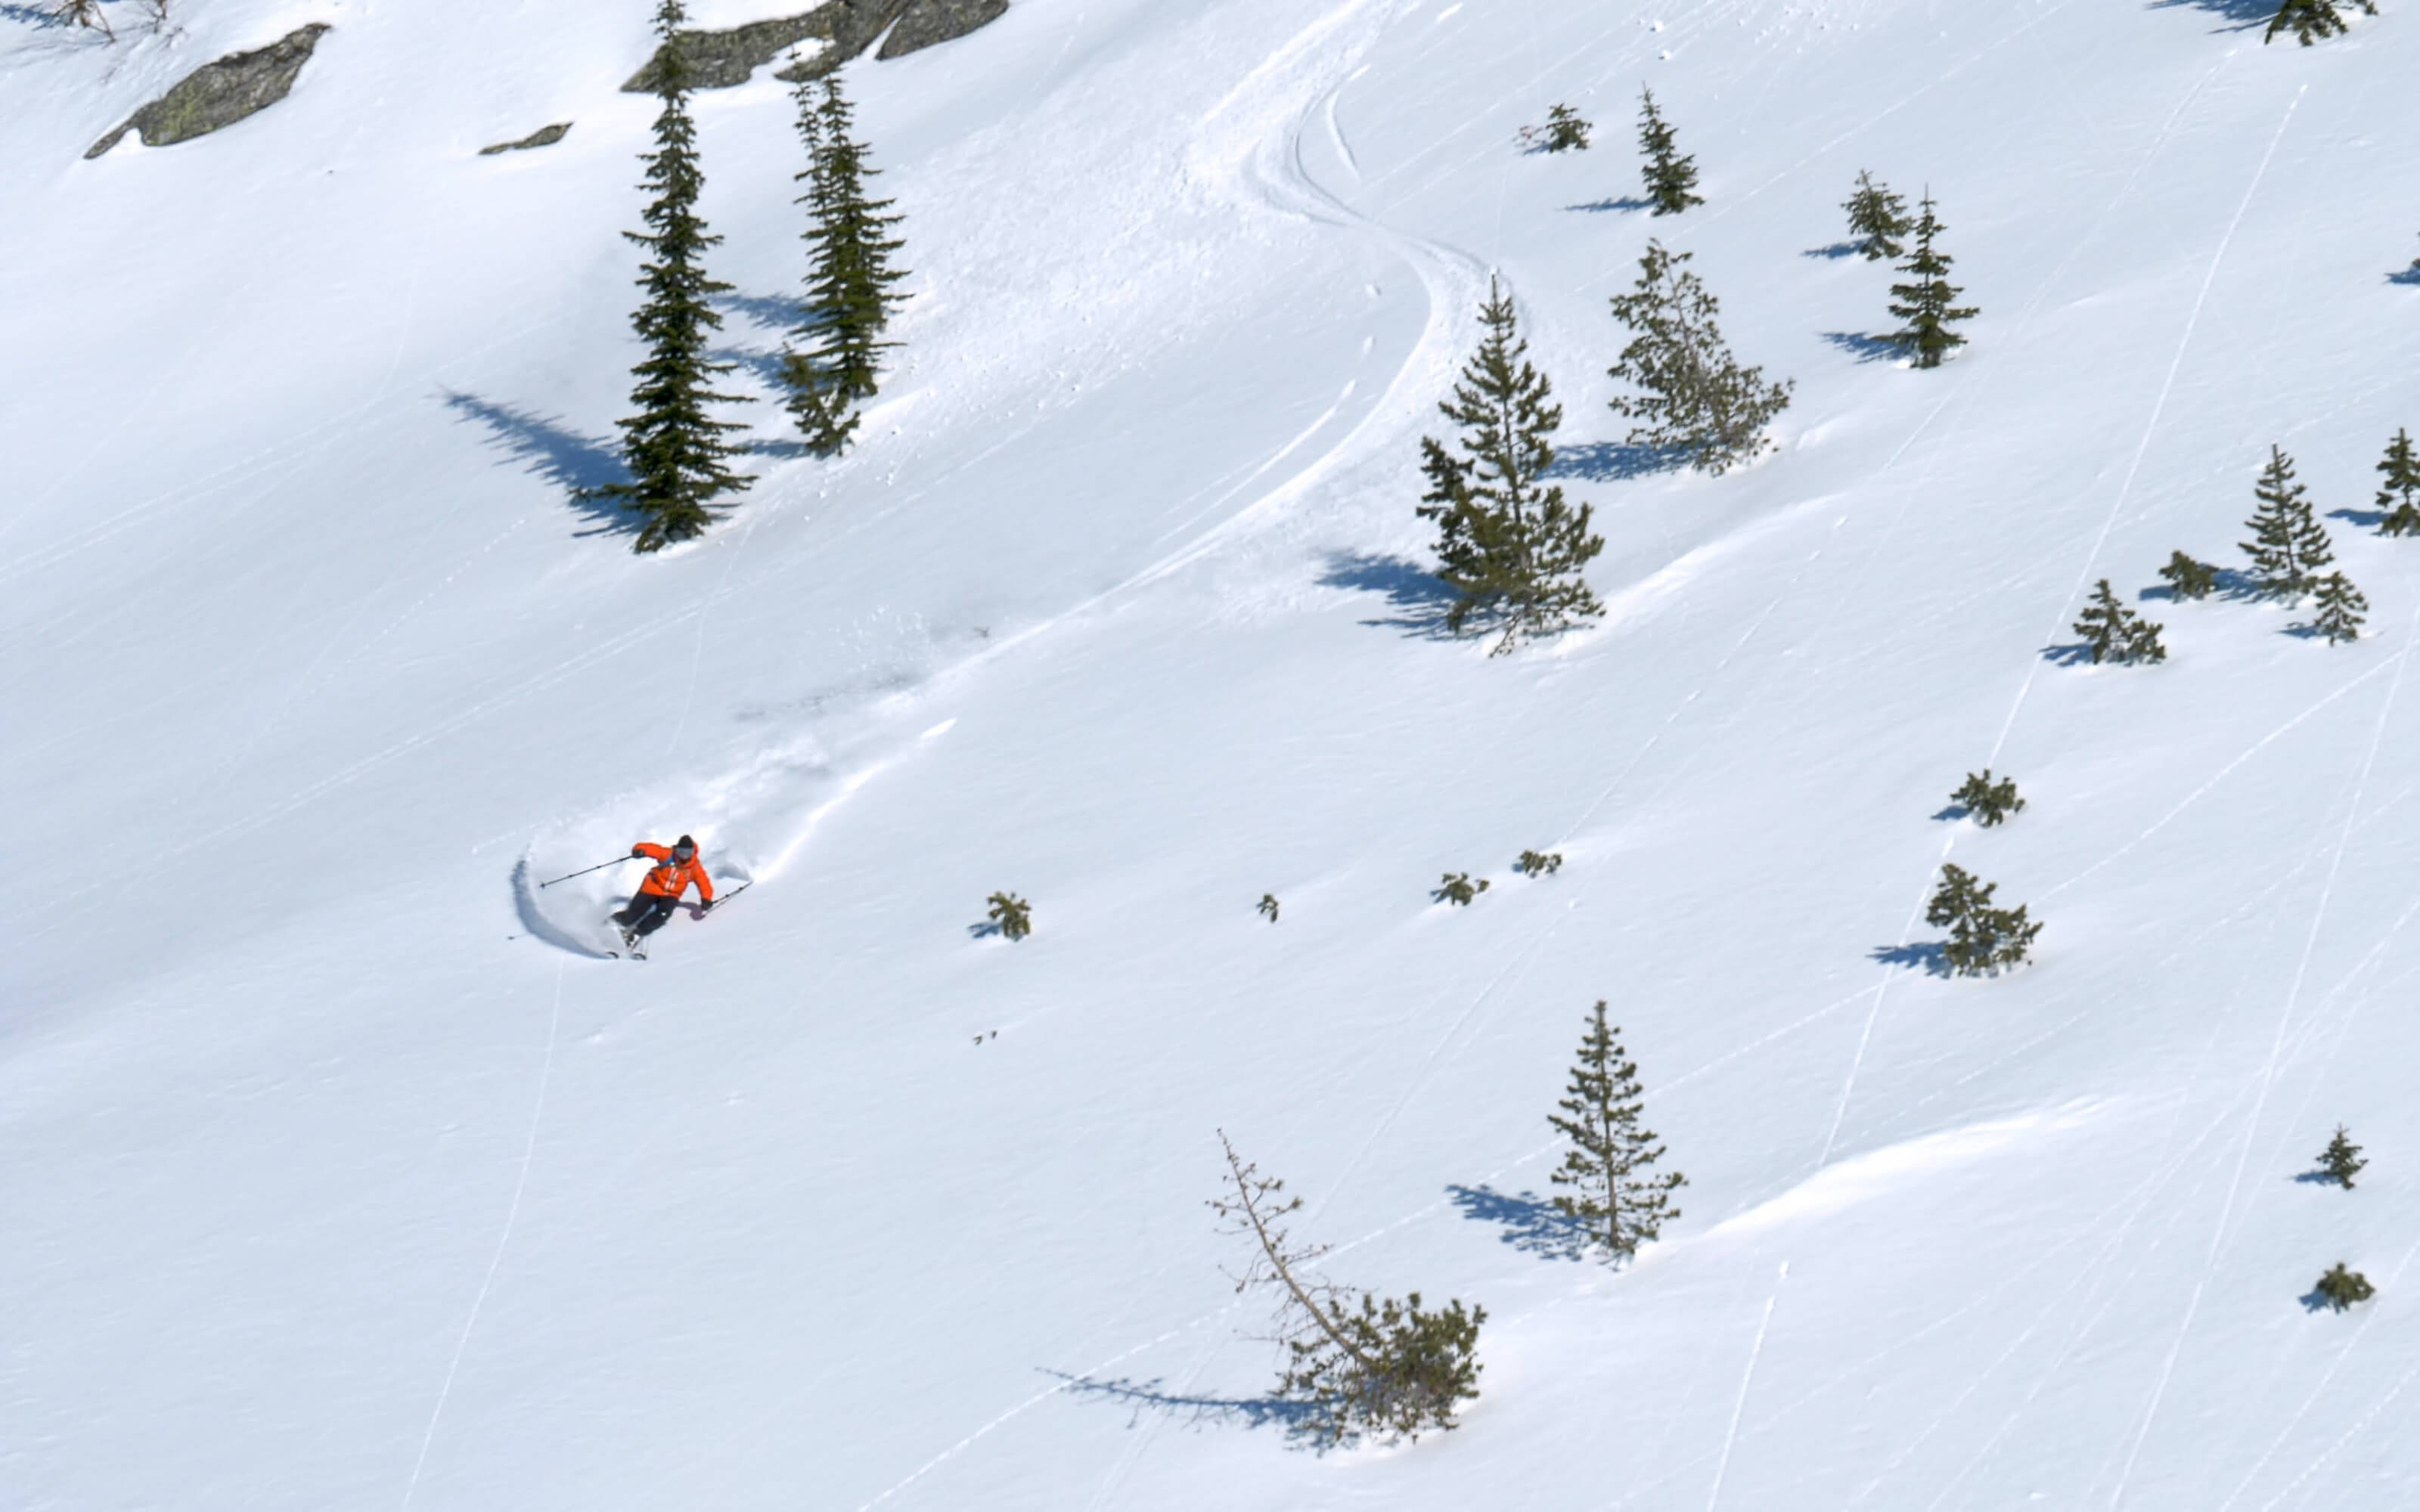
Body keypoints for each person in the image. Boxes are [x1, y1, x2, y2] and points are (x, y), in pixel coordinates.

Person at [613, 835, 715, 950]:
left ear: (693, 852)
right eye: (681, 851)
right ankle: (613, 923)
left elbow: (704, 883)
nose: (684, 855)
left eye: (688, 852)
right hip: (652, 886)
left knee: (662, 915)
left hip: (672, 895)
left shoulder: (695, 867)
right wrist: (639, 850)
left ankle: (636, 933)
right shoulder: (668, 854)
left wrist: (706, 898)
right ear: (677, 850)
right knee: (636, 911)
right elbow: (652, 849)